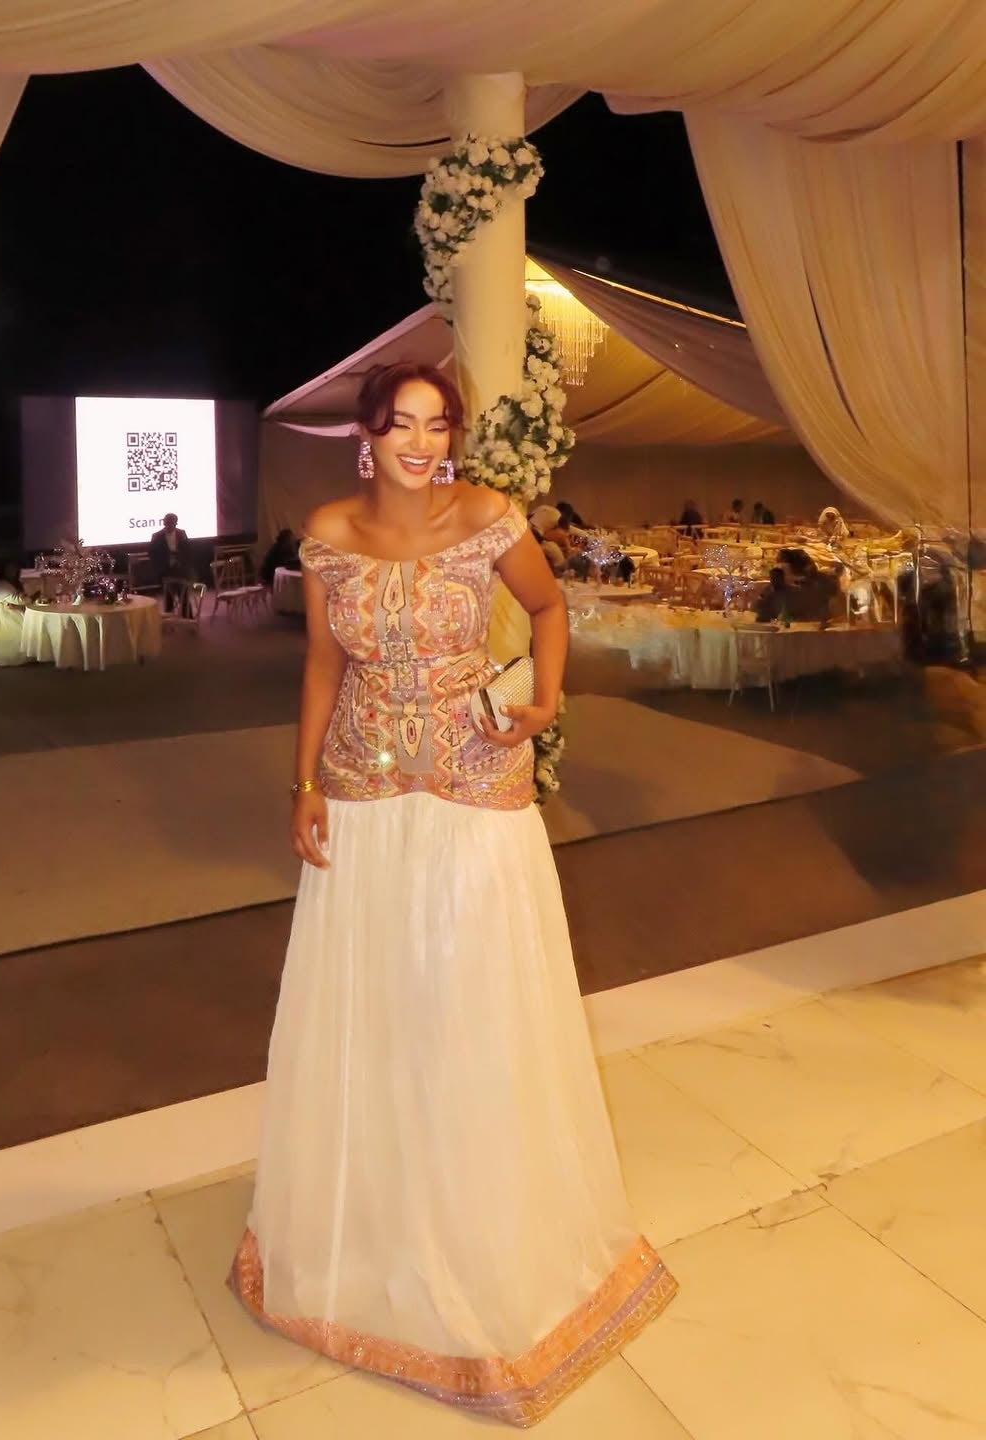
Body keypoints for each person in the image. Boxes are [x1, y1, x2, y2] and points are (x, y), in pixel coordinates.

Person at [229, 362, 675, 1425]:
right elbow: (321, 670)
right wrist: (301, 787)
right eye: (403, 427)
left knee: (473, 1004)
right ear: (366, 437)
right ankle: (380, 1208)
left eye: (439, 426)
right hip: (366, 788)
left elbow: (549, 605)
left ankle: (483, 1222)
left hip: (477, 785)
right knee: (375, 1010)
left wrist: (546, 698)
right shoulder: (329, 533)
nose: (424, 446)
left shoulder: (490, 517)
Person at [0, 559, 31, 666]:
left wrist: (21, 601)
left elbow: (19, 599)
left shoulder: (14, 582)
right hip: (2, 615)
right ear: (3, 570)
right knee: (25, 625)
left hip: (12, 609)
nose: (12, 571)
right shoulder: (1, 584)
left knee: (32, 621)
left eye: (14, 569)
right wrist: (29, 599)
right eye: (9, 569)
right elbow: (19, 599)